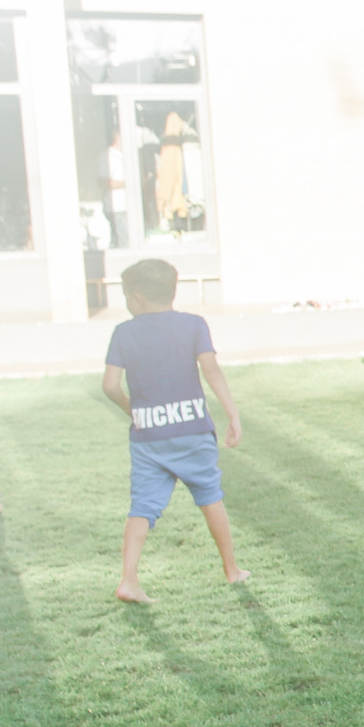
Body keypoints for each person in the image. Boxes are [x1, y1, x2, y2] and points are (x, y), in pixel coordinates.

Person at [102, 258, 245, 603]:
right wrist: (232, 414)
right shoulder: (194, 325)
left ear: (136, 298)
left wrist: (131, 410)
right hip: (192, 429)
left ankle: (129, 579)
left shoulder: (123, 332)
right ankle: (232, 570)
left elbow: (109, 385)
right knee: (210, 496)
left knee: (143, 506)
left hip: (147, 435)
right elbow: (211, 370)